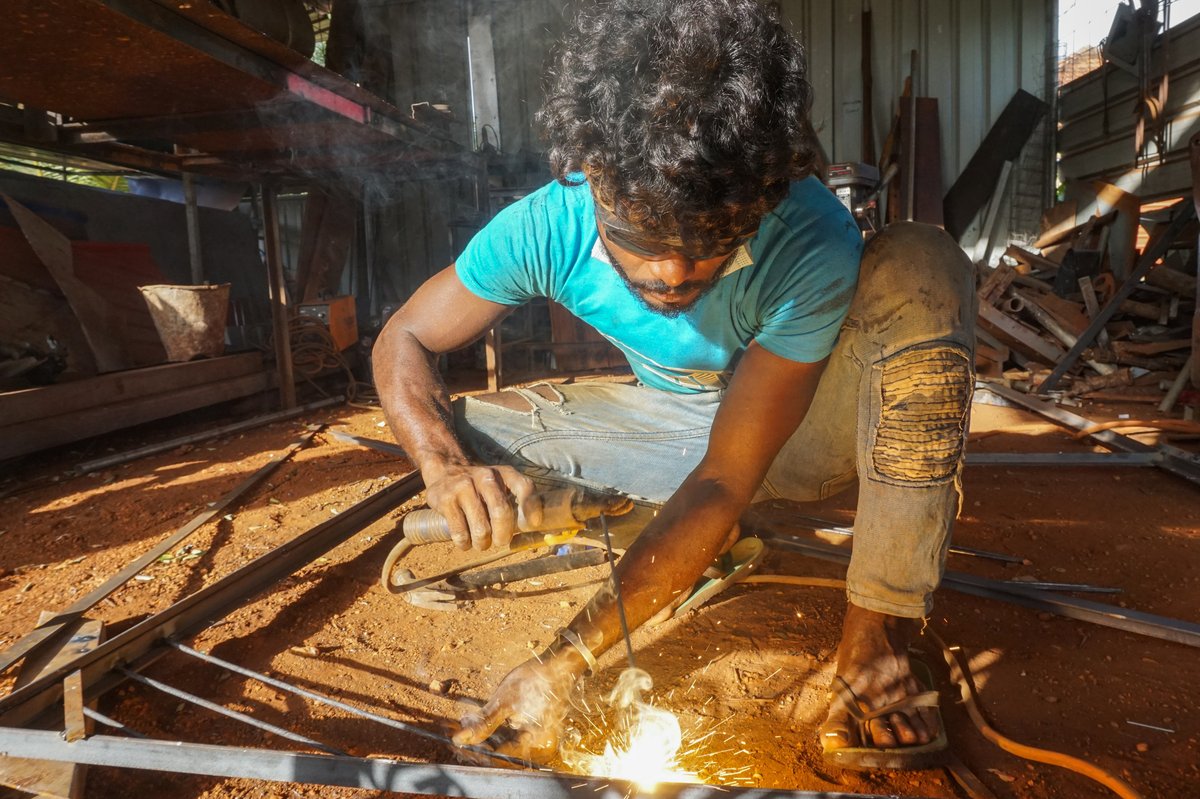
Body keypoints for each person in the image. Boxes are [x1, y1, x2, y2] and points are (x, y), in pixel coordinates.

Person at [373, 0, 974, 771]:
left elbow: (725, 477)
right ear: (593, 178)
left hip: (793, 439)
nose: (671, 275)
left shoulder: (808, 235)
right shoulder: (548, 223)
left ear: (758, 201)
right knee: (457, 427)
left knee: (923, 264)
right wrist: (445, 465)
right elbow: (405, 336)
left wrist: (562, 662)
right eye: (643, 240)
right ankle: (648, 527)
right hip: (667, 428)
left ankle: (881, 629)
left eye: (710, 245)